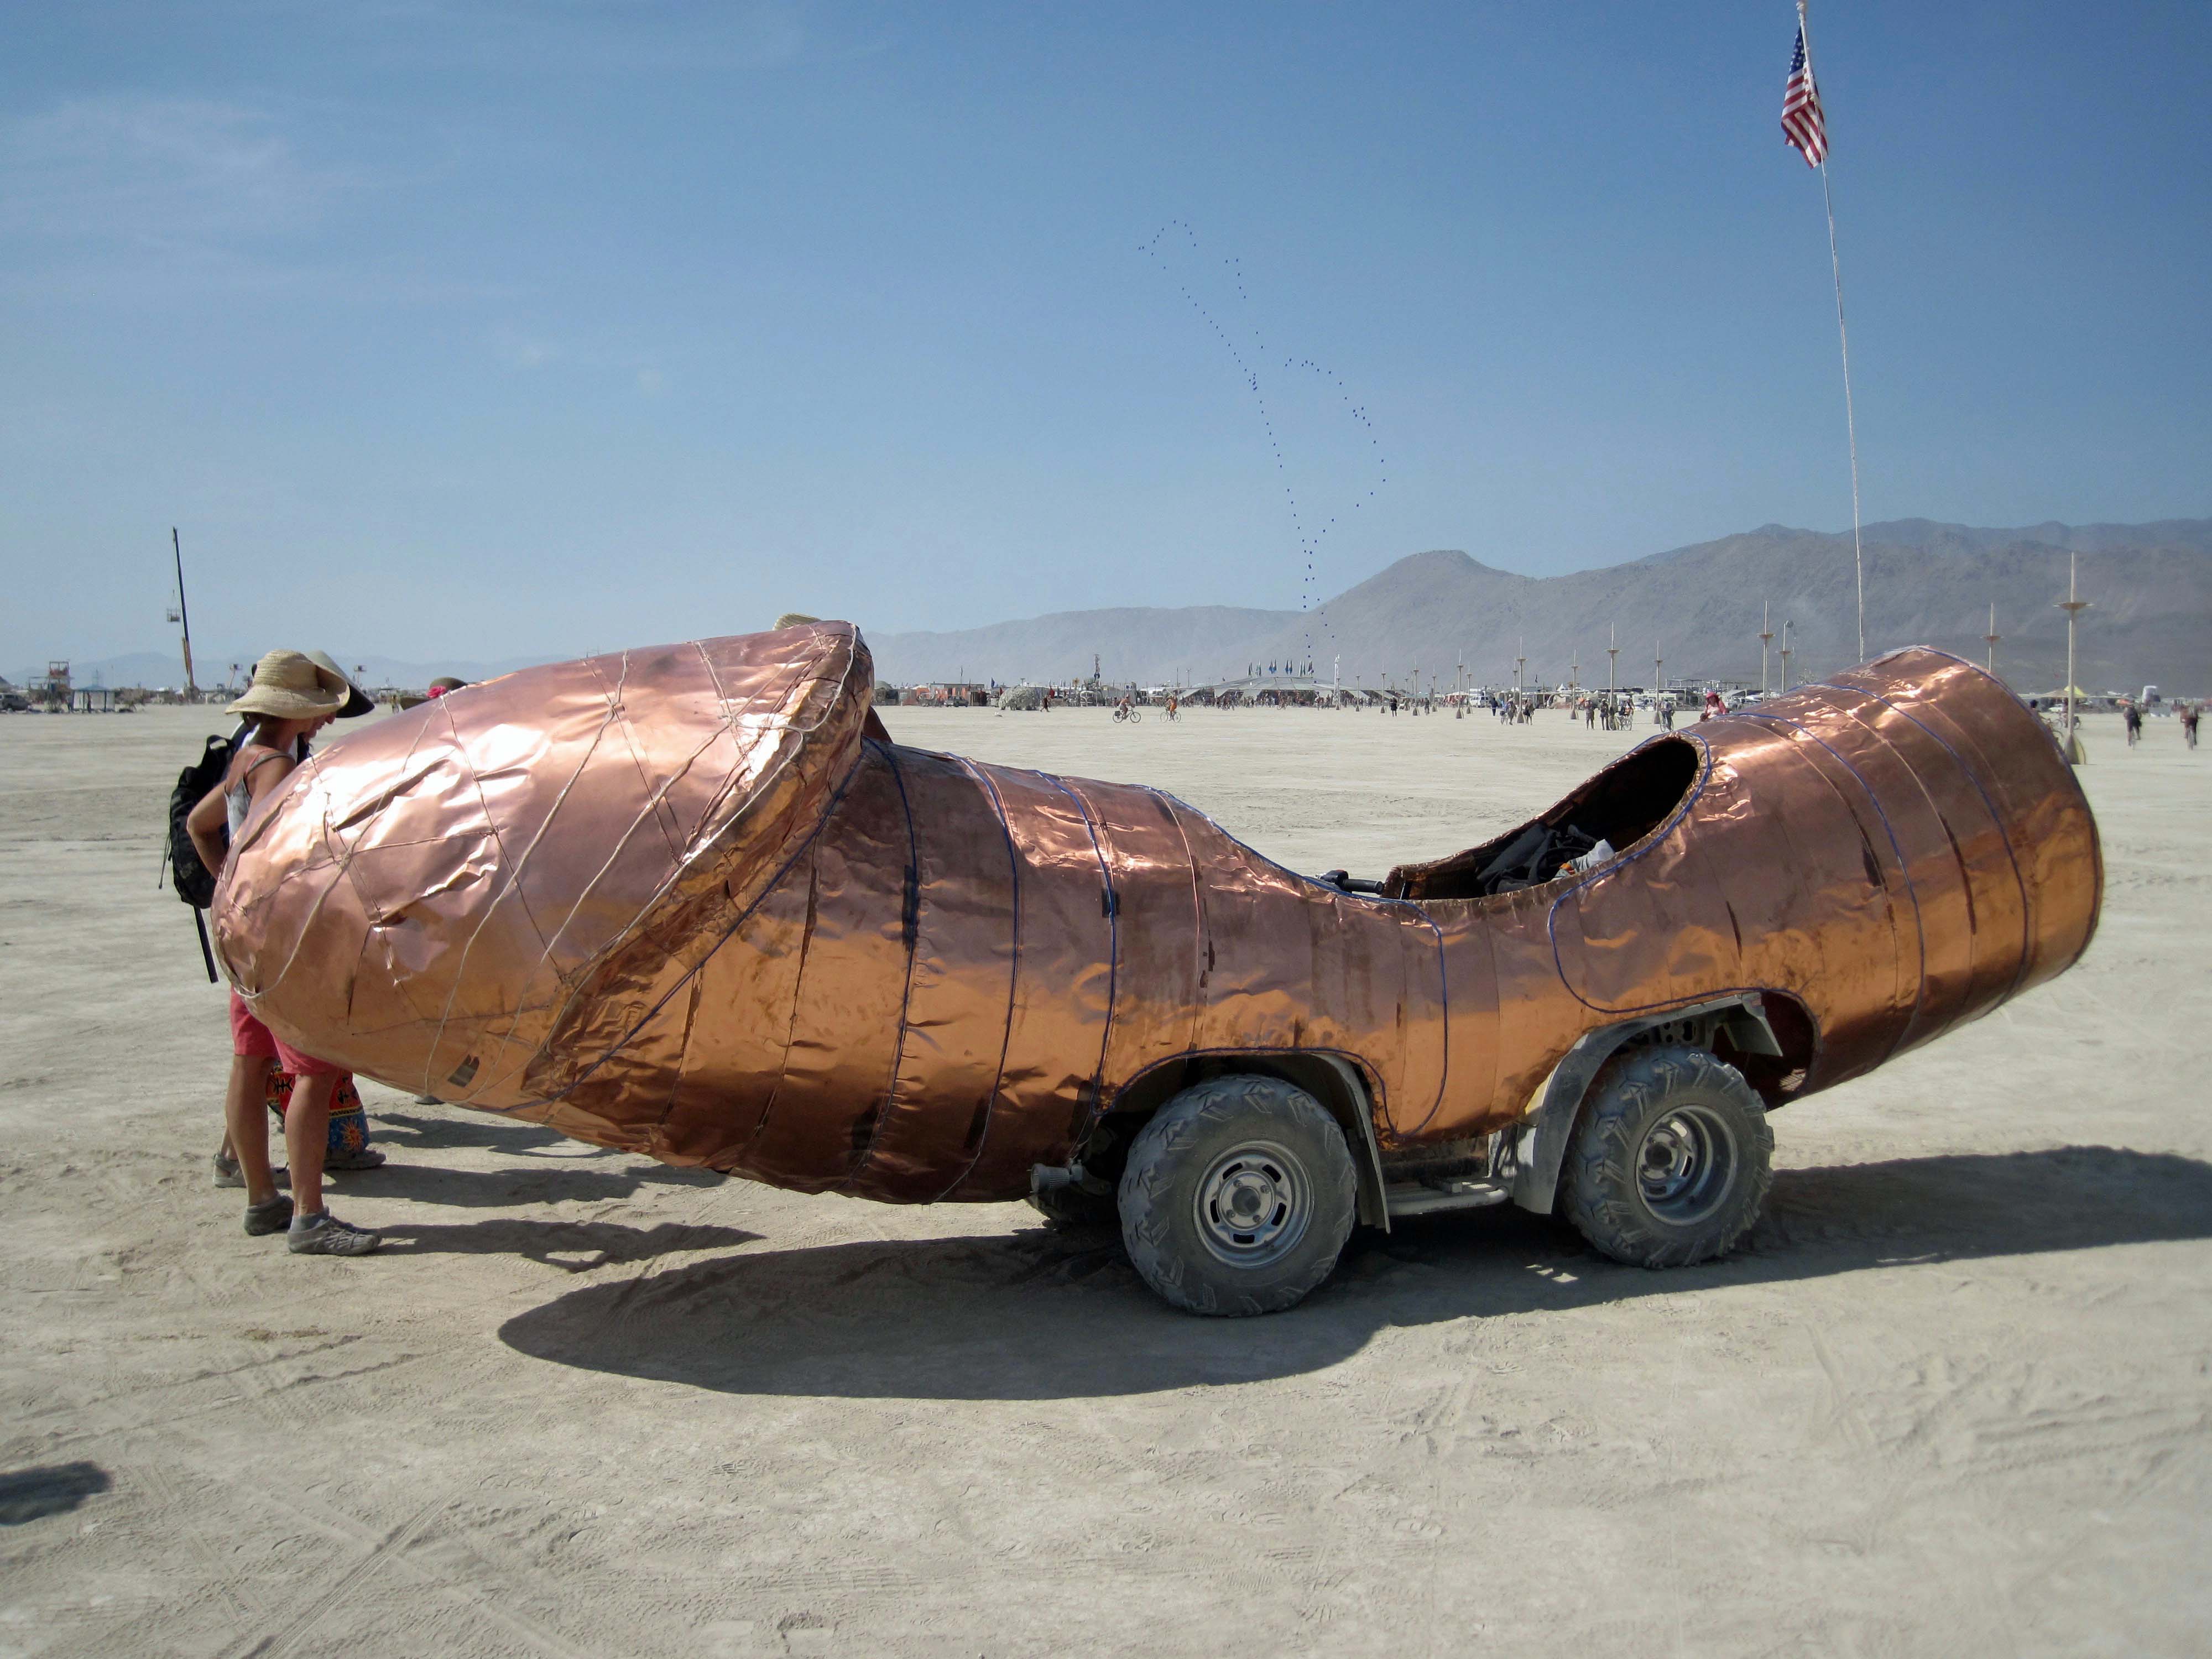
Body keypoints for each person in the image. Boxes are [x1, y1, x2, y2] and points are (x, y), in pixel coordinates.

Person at [185, 651, 381, 1256]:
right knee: (312, 1073)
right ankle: (309, 1216)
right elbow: (279, 853)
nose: (326, 720)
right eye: (318, 711)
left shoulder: (245, 757)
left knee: (250, 1063)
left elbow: (199, 826)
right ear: (292, 712)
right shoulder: (277, 767)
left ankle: (260, 1200)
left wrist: (228, 893)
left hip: (244, 941)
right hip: (280, 945)